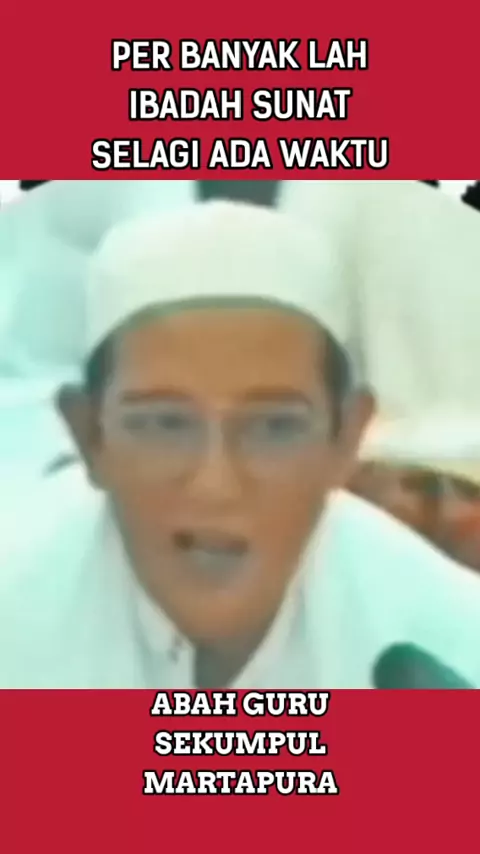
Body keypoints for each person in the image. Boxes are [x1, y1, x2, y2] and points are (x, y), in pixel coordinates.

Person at [2, 200, 480, 690]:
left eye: (274, 428)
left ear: (346, 439)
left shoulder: (449, 646)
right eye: (165, 424)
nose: (216, 486)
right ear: (88, 435)